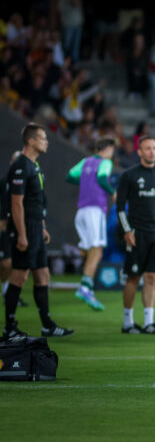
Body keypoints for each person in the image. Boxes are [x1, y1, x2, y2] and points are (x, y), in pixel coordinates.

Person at [4, 124, 73, 339]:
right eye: (43, 138)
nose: (47, 142)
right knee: (20, 275)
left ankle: (47, 325)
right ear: (31, 141)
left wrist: (41, 227)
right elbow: (17, 204)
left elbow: (36, 202)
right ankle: (9, 327)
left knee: (43, 274)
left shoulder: (35, 166)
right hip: (24, 228)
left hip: (35, 227)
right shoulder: (20, 166)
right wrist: (23, 234)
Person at [116, 135, 155, 334]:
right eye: (147, 148)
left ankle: (148, 322)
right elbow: (119, 207)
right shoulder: (129, 175)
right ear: (139, 151)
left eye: (154, 148)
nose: (151, 151)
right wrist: (126, 230)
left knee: (151, 277)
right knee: (133, 277)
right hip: (136, 233)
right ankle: (127, 323)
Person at [66, 137, 116, 311]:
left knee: (90, 250)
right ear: (108, 149)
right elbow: (103, 179)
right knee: (97, 250)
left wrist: (87, 182)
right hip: (95, 210)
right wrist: (113, 192)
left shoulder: (85, 161)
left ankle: (86, 284)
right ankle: (86, 288)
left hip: (81, 211)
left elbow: (70, 177)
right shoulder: (105, 162)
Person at [1, 151, 27, 308]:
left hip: (20, 227)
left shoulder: (27, 181)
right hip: (5, 226)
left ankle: (9, 294)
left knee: (15, 264)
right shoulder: (4, 182)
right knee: (6, 263)